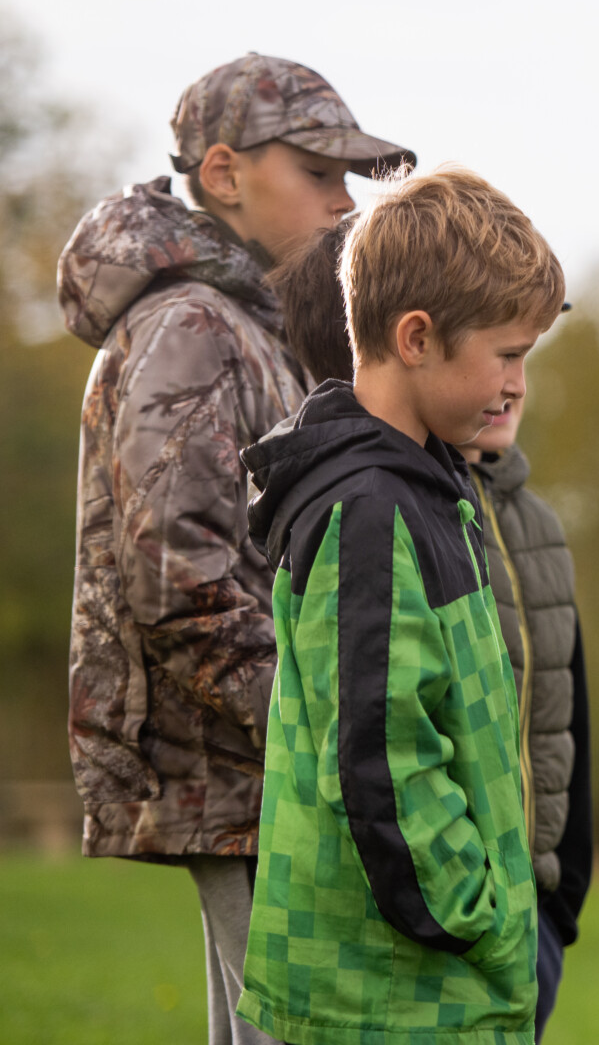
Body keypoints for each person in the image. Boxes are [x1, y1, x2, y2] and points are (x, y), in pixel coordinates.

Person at [56, 53, 411, 1045]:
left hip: (257, 762)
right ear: (224, 172)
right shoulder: (192, 327)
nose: (346, 204)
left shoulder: (250, 319)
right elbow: (178, 574)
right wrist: (318, 734)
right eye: (320, 173)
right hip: (242, 760)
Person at [234, 165, 563, 1044]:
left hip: (430, 986)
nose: (516, 384)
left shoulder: (430, 489)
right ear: (416, 336)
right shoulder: (370, 513)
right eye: (508, 353)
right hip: (392, 993)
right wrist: (476, 916)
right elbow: (385, 756)